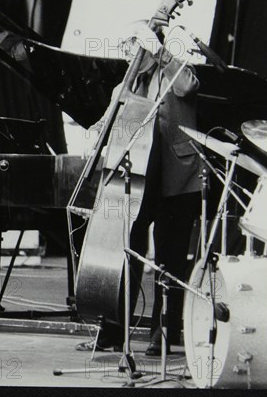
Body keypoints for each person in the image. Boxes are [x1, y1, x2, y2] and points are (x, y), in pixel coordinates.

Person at [78, 21, 201, 356]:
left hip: (177, 180)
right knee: (125, 254)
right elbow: (106, 122)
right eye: (127, 46)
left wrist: (162, 52)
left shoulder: (175, 71)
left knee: (170, 259)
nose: (128, 52)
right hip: (139, 181)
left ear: (148, 45)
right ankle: (113, 331)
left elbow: (190, 85)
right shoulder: (126, 85)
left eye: (133, 44)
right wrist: (95, 130)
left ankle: (164, 334)